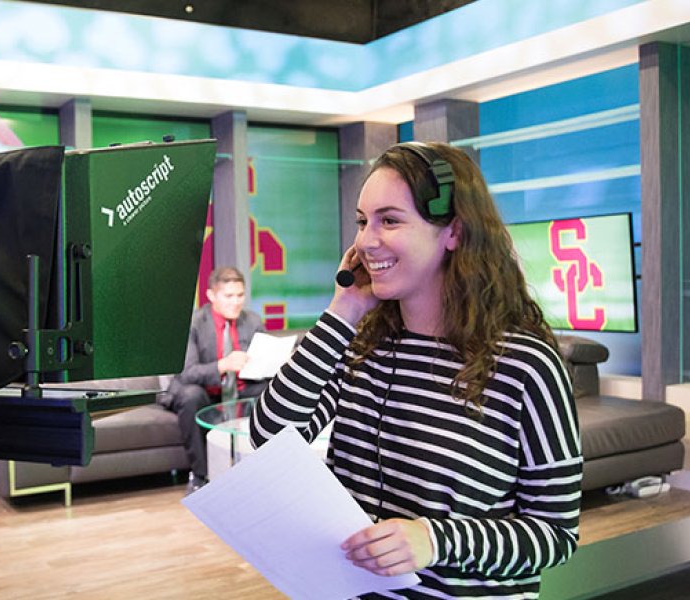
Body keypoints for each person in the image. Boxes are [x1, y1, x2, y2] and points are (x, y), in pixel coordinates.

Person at [250, 142, 581, 599]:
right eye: (363, 222)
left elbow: (555, 535)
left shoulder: (526, 367)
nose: (365, 241)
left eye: (390, 220)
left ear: (454, 232)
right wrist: (343, 311)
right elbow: (270, 437)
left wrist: (435, 540)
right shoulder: (361, 345)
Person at [165, 266, 268, 494]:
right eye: (229, 296)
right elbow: (186, 372)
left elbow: (263, 359)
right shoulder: (193, 323)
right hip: (202, 389)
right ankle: (201, 476)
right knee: (191, 395)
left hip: (241, 389)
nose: (236, 302)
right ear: (211, 295)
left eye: (240, 295)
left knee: (270, 392)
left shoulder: (252, 321)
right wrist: (223, 365)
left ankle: (265, 472)